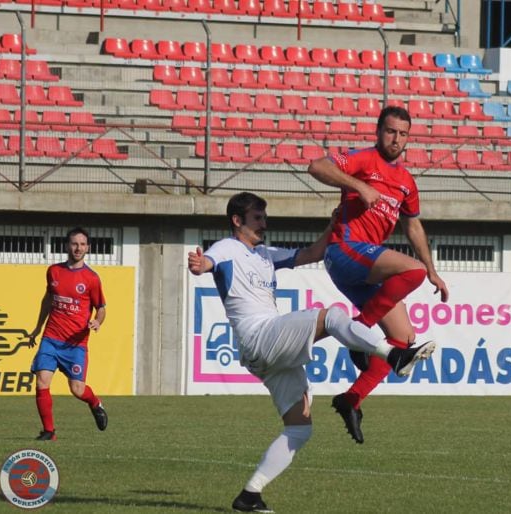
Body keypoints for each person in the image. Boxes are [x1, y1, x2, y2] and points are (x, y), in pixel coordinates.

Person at [187, 192, 435, 513]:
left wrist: (333, 226)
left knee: (299, 428)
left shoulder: (265, 254)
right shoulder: (227, 247)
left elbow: (312, 253)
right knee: (331, 316)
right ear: (237, 221)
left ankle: (250, 495)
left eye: (264, 217)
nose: (264, 223)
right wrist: (199, 264)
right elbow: (208, 263)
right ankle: (393, 355)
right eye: (257, 218)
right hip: (259, 335)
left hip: (266, 350)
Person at [307, 106, 449, 444]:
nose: (395, 139)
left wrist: (433, 272)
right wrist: (359, 185)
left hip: (366, 265)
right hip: (344, 251)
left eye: (402, 134)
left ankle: (351, 400)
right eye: (390, 131)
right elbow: (316, 166)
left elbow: (412, 225)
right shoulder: (364, 159)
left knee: (403, 338)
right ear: (378, 130)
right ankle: (360, 331)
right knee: (409, 271)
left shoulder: (407, 183)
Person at [27, 227, 108, 441]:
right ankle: (49, 431)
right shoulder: (53, 271)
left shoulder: (92, 278)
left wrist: (98, 322)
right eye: (74, 243)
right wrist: (37, 328)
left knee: (77, 389)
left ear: (88, 248)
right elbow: (47, 301)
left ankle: (95, 403)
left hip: (76, 344)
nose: (78, 248)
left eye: (82, 244)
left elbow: (101, 307)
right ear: (67, 246)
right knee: (42, 381)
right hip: (51, 338)